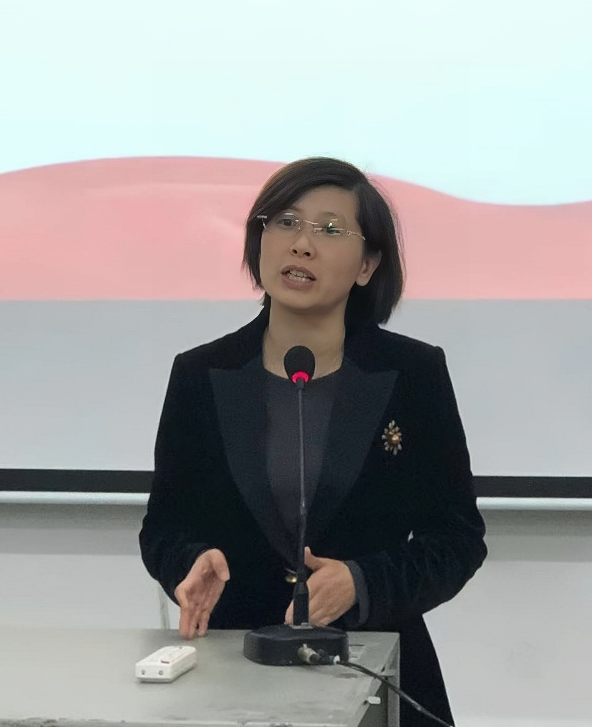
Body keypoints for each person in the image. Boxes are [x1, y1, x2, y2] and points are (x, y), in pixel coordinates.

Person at [139, 157, 487, 726]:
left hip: (375, 673)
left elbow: (457, 540)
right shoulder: (201, 374)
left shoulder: (413, 375)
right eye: (285, 222)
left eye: (329, 230)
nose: (301, 244)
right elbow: (163, 527)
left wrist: (362, 582)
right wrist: (188, 562)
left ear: (368, 264)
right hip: (235, 675)